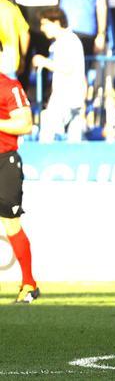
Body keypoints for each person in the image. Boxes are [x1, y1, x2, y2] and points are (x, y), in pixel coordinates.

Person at [0, 64, 36, 302]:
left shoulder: (9, 87)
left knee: (11, 223)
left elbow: (25, 124)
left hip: (4, 161)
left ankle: (29, 284)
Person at [32, 9, 87, 142]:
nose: (42, 28)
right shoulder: (68, 40)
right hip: (72, 98)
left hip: (65, 98)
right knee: (74, 140)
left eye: (44, 24)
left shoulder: (67, 41)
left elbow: (67, 68)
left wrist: (43, 61)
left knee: (47, 137)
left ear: (56, 22)